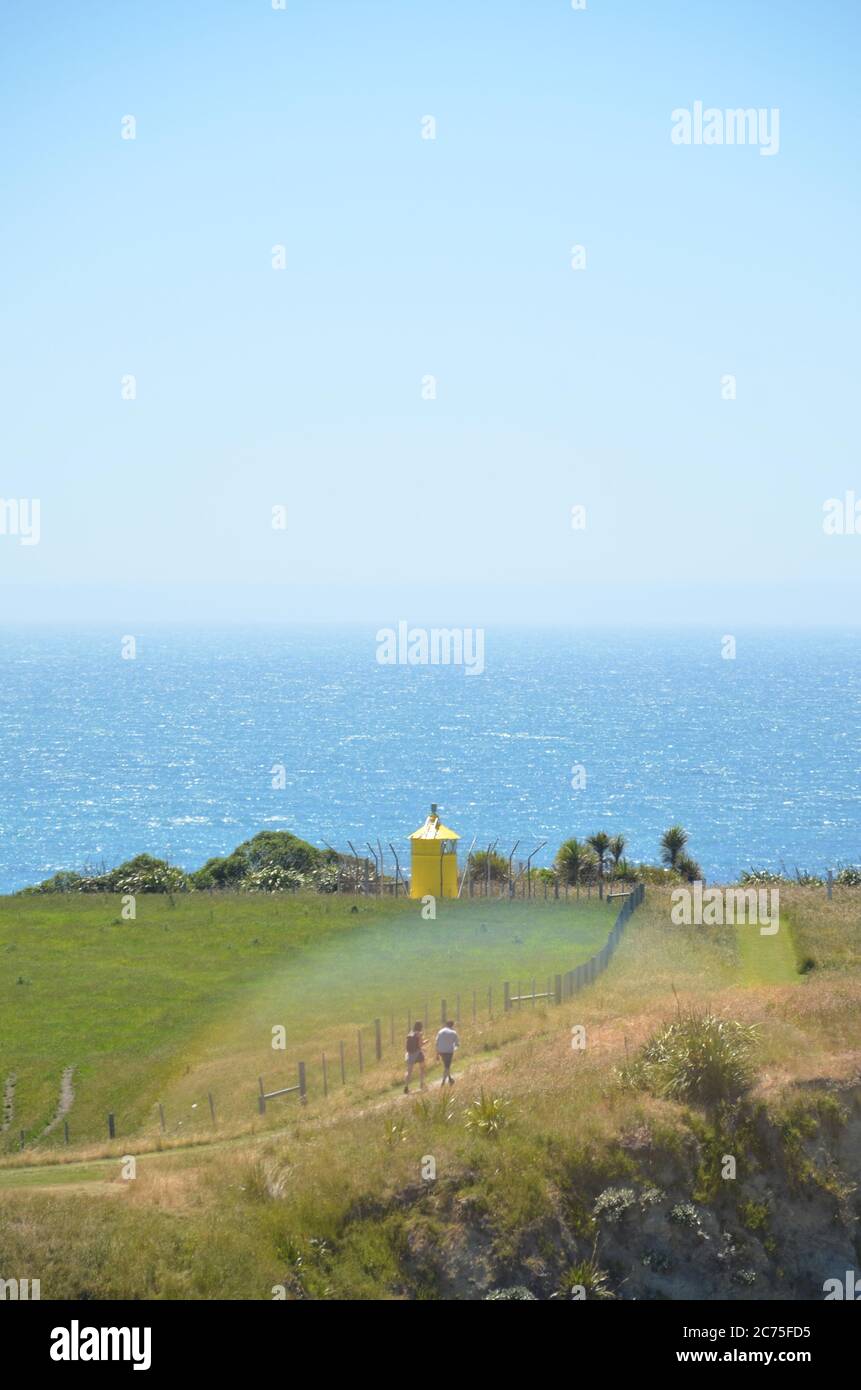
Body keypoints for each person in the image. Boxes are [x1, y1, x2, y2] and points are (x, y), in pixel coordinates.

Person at [404, 1021, 427, 1093]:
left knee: (409, 1071)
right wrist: (425, 1042)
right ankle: (421, 1084)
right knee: (422, 1068)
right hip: (418, 1053)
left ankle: (406, 1087)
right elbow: (420, 1045)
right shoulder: (419, 1034)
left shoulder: (410, 1033)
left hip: (410, 1054)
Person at [435, 1019, 459, 1086]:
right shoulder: (454, 1033)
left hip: (441, 1051)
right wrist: (454, 1048)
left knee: (446, 1066)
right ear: (452, 1025)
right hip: (449, 1051)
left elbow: (437, 1042)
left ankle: (450, 1079)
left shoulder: (440, 1031)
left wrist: (437, 1054)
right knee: (447, 1066)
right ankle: (443, 1082)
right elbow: (457, 1044)